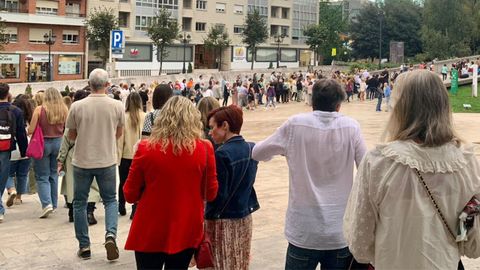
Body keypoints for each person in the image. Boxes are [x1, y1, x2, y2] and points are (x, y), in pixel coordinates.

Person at [344, 70, 480, 269]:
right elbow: (473, 244)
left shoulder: (380, 162)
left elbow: (359, 242)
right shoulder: (467, 162)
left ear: (400, 107)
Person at [252, 79, 366, 270]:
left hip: (304, 230)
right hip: (338, 230)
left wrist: (284, 150)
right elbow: (366, 167)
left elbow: (257, 153)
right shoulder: (351, 127)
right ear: (339, 105)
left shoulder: (295, 124)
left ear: (312, 101)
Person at [123, 96, 218, 270]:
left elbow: (129, 194)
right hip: (187, 226)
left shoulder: (146, 148)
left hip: (150, 227)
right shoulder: (205, 148)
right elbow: (210, 193)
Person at [66, 68, 125, 260]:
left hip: (82, 160)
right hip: (107, 159)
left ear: (89, 84)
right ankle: (110, 235)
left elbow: (71, 135)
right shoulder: (116, 105)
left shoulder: (77, 106)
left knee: (80, 203)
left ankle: (84, 245)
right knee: (110, 200)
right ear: (107, 85)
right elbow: (118, 133)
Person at [205, 105, 259, 270]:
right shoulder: (252, 148)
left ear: (225, 126)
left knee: (222, 263)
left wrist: (206, 217)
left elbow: (218, 195)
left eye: (213, 127)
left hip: (224, 220)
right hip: (244, 216)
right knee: (240, 262)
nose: (210, 132)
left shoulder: (222, 154)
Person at [58, 90, 100, 224]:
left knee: (72, 185)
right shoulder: (97, 117)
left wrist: (60, 159)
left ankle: (73, 212)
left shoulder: (74, 116)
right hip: (94, 152)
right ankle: (89, 212)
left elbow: (66, 140)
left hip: (75, 154)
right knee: (92, 184)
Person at [28, 87, 68, 218]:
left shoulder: (39, 109)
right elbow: (67, 128)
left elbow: (31, 129)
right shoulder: (64, 109)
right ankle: (54, 203)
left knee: (42, 176)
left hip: (42, 143)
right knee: (53, 174)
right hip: (59, 142)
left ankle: (46, 204)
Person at [0, 84, 28, 222]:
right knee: (2, 177)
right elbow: (21, 133)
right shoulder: (15, 111)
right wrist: (24, 151)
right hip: (6, 148)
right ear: (8, 93)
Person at [117, 92, 145, 219]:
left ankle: (121, 206)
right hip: (140, 155)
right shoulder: (145, 116)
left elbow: (120, 139)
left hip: (125, 155)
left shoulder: (123, 117)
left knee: (123, 182)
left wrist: (117, 157)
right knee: (139, 183)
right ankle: (135, 208)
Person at [5, 94, 33, 207]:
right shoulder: (30, 118)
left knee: (8, 173)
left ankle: (11, 189)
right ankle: (18, 197)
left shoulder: (10, 115)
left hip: (12, 147)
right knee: (23, 174)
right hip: (27, 147)